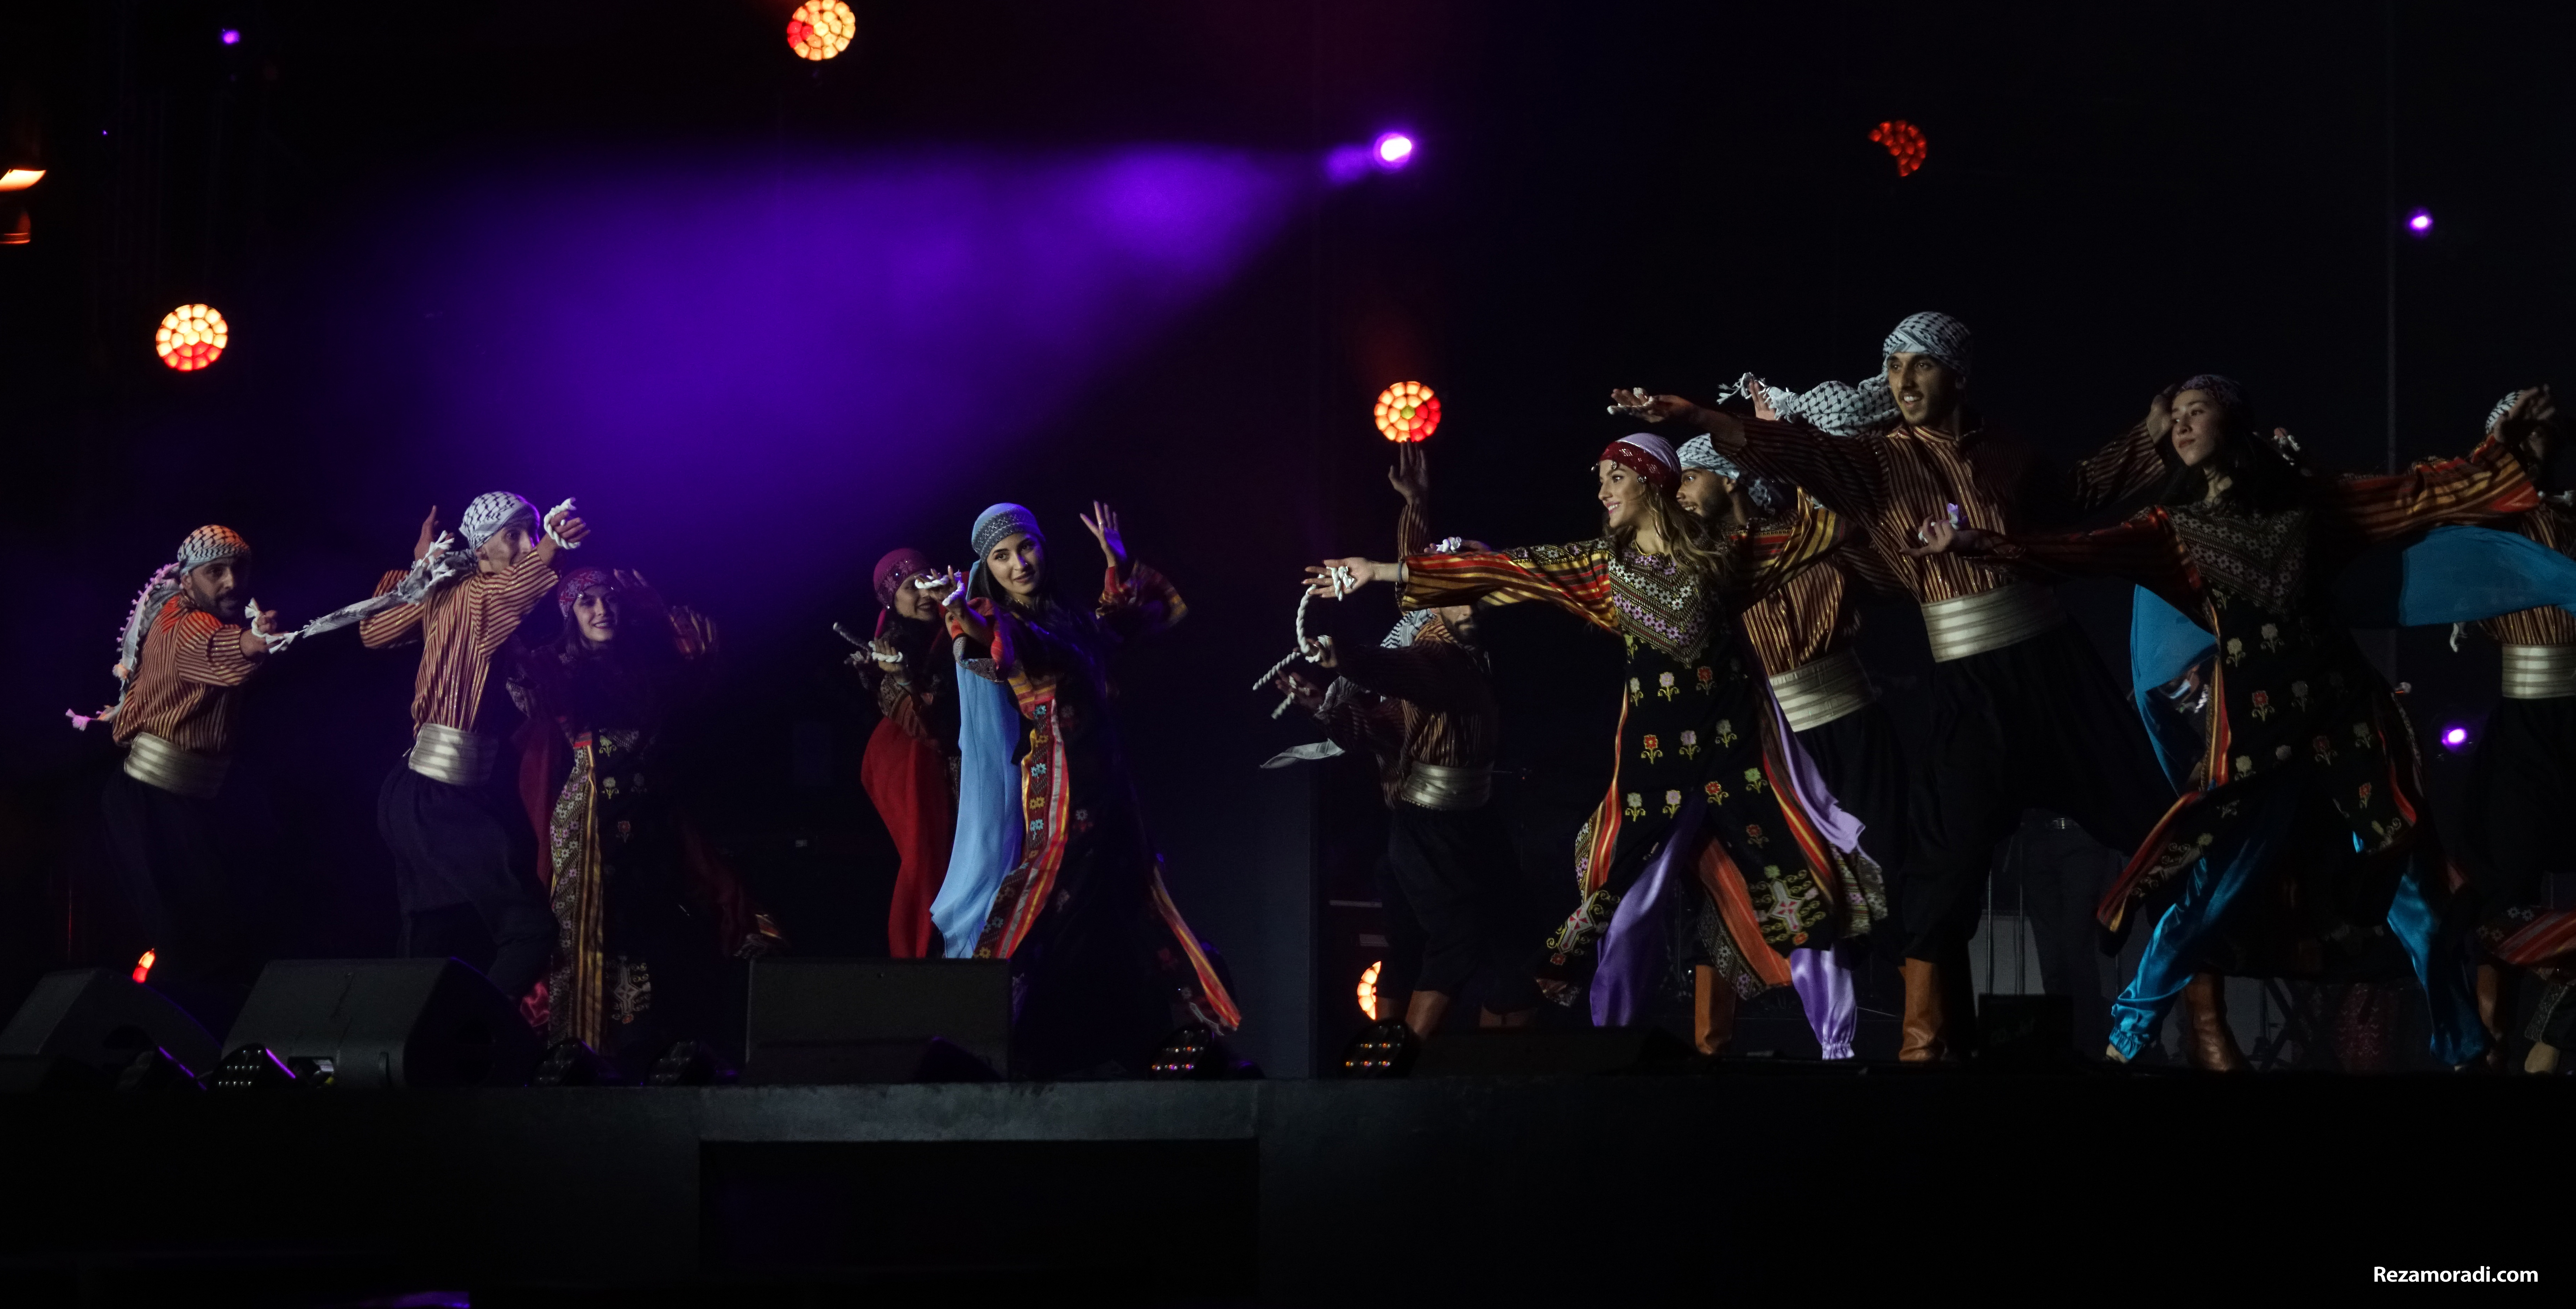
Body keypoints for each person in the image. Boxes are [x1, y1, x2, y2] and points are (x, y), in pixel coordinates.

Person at [1911, 377, 2557, 1067]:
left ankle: (2464, 1048)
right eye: (2176, 416)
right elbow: (2080, 550)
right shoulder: (2172, 532)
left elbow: (2415, 494)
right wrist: (1977, 543)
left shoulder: (2310, 505)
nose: (2181, 425)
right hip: (2258, 733)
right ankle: (2127, 1037)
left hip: (2344, 717)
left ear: (2236, 424)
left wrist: (2500, 451)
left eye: (2198, 411)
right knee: (2211, 891)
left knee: (2412, 888)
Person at [1615, 311, 2176, 1060]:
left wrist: (2150, 436)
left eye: (1921, 365)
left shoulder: (1993, 454)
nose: (1904, 381)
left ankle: (2181, 1024)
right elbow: (1801, 453)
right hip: (1895, 705)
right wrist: (1699, 418)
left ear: (1959, 375)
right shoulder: (1859, 473)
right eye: (1892, 367)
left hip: (2025, 670)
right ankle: (1914, 1046)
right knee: (1893, 868)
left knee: (2150, 828)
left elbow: (2072, 491)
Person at [1310, 435, 1887, 1054]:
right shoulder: (1602, 568)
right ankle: (1611, 1049)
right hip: (1653, 767)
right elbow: (1507, 569)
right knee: (1624, 904)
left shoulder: (1725, 555)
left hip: (1734, 757)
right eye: (1602, 477)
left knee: (1795, 887)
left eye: (1615, 477)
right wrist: (1381, 570)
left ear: (1653, 484)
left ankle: (1838, 1052)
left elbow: (1825, 528)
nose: (1602, 490)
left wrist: (1777, 441)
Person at [941, 501, 1241, 1076]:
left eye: (1025, 547)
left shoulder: (1072, 617)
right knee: (1059, 906)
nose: (1018, 564)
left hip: (1111, 790)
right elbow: (994, 639)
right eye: (1001, 557)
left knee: (1125, 904)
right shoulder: (1003, 621)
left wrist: (1116, 562)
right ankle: (1015, 1044)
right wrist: (959, 610)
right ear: (988, 570)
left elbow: (1130, 621)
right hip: (1062, 794)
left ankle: (1143, 1043)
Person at [1275, 443, 1538, 1038]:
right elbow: (1398, 671)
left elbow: (1418, 572)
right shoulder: (1437, 655)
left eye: (1480, 590)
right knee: (1452, 938)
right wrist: (1345, 664)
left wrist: (1415, 503)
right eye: (1460, 591)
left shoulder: (1463, 640)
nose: (1473, 602)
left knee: (1512, 940)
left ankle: (1501, 1067)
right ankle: (1402, 1061)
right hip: (1428, 829)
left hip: (1468, 819)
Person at [510, 567, 778, 1071]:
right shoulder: (557, 668)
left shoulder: (645, 667)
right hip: (592, 820)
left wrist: (659, 614)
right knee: (591, 932)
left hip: (650, 819)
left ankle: (647, 1050)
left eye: (609, 599)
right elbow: (528, 689)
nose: (602, 609)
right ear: (570, 614)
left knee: (653, 927)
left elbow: (699, 670)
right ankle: (577, 1050)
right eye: (587, 602)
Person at [362, 493, 590, 1010]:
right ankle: (473, 1031)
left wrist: (423, 573)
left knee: (433, 939)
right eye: (513, 535)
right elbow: (375, 630)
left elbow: (374, 633)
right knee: (530, 931)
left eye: (531, 533)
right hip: (435, 797)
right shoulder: (473, 597)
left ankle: (411, 1041)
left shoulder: (454, 594)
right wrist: (553, 545)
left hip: (422, 796)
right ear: (481, 549)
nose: (526, 545)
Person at [80, 525, 282, 1028]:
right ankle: (177, 1054)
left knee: (218, 935)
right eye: (216, 571)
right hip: (151, 801)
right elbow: (208, 649)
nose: (231, 581)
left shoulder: (195, 615)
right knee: (191, 945)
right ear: (188, 580)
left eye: (239, 569)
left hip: (185, 802)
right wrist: (253, 643)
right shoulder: (182, 622)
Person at [2452, 391, 2576, 1073]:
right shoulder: (2485, 518)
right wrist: (2500, 440)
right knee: (2507, 894)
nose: (2538, 438)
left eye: (2547, 429)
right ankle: (2491, 1047)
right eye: (2525, 430)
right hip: (2524, 723)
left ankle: (2549, 1046)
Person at [852, 547, 961, 959]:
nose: (922, 593)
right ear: (890, 602)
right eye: (908, 588)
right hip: (950, 792)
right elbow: (930, 731)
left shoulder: (964, 621)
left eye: (924, 580)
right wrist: (901, 677)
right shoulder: (888, 660)